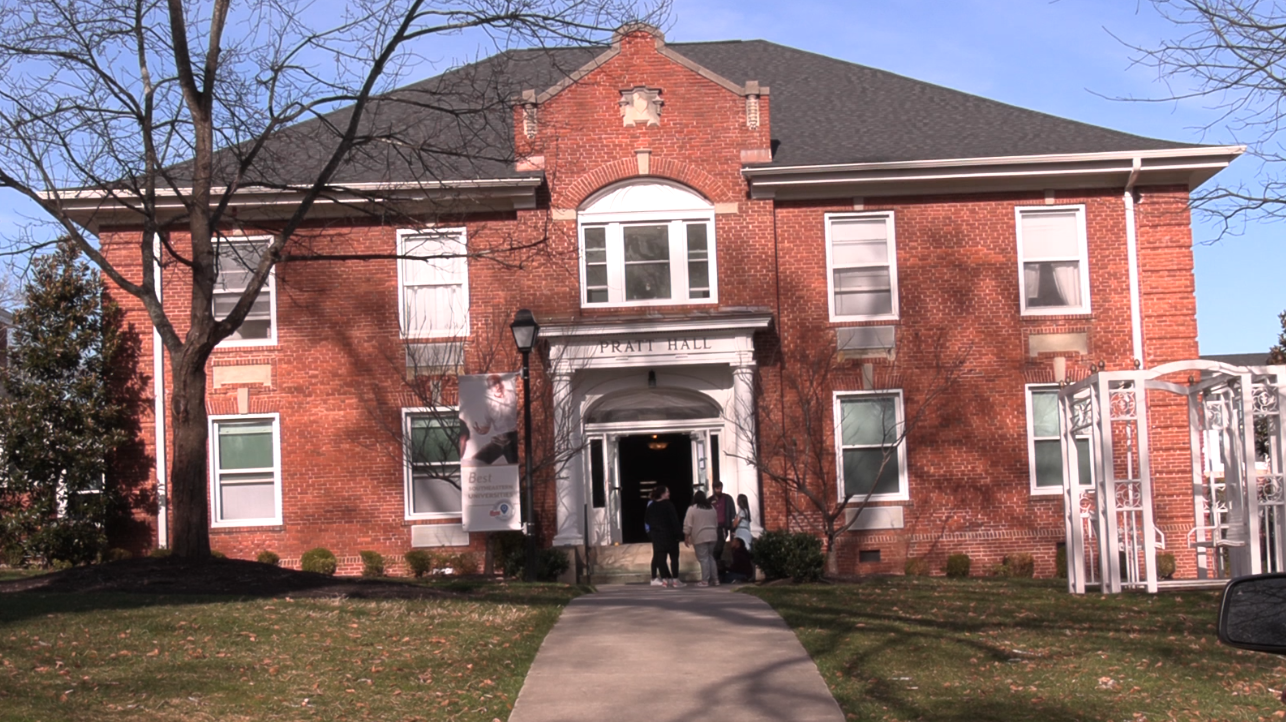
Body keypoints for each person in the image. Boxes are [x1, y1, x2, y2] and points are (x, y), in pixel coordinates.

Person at [644, 485, 683, 588]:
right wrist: (679, 534)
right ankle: (675, 580)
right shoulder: (668, 505)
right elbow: (674, 520)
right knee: (674, 557)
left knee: (661, 558)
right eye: (667, 492)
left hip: (658, 536)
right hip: (670, 535)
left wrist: (652, 532)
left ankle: (665, 579)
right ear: (662, 494)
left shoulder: (651, 506)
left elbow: (647, 520)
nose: (669, 494)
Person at [683, 490, 719, 587]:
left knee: (703, 559)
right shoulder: (712, 508)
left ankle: (705, 580)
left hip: (700, 536)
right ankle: (715, 579)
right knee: (711, 557)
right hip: (712, 535)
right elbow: (716, 523)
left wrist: (686, 536)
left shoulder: (692, 509)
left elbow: (688, 524)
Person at [710, 481, 735, 561]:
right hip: (713, 527)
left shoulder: (727, 498)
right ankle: (716, 561)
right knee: (715, 546)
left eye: (720, 488)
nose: (719, 490)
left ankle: (717, 560)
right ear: (714, 489)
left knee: (721, 544)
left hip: (723, 526)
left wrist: (732, 527)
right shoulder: (710, 500)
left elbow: (732, 512)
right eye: (717, 489)